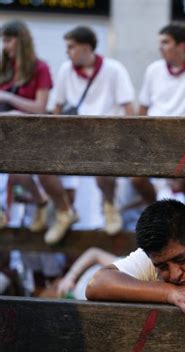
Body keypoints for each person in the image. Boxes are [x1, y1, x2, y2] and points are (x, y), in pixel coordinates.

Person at [38, 26, 147, 245]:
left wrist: (127, 141)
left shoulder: (113, 69)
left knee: (103, 169)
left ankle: (109, 207)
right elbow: (57, 109)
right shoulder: (65, 70)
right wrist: (52, 141)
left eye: (71, 47)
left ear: (86, 48)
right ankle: (64, 210)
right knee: (39, 166)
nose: (67, 52)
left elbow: (129, 109)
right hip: (74, 138)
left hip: (108, 139)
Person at [139, 23, 185, 210]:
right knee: (135, 178)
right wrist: (141, 138)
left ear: (181, 45)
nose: (161, 47)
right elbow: (143, 108)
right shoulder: (153, 69)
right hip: (156, 138)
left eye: (166, 42)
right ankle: (156, 211)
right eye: (160, 42)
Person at [0, 20, 52, 232]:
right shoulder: (4, 68)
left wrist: (10, 101)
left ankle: (41, 201)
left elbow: (40, 107)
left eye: (8, 40)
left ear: (21, 41)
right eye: (3, 41)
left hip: (30, 134)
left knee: (18, 170)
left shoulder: (40, 68)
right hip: (4, 132)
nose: (4, 46)